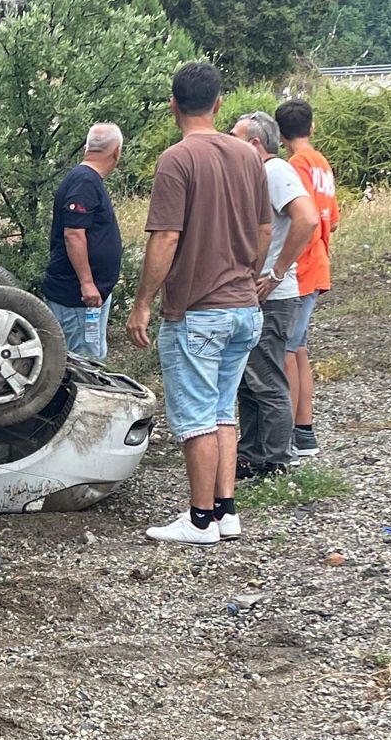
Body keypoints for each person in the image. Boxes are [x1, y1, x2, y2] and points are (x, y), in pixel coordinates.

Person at [126, 63, 270, 546]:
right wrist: (250, 272)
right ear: (218, 104)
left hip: (198, 311)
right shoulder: (248, 156)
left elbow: (166, 236)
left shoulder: (177, 159)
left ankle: (200, 519)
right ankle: (226, 512)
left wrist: (143, 302)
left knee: (196, 418)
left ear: (173, 104)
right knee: (224, 410)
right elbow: (264, 228)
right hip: (244, 307)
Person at [230, 111, 317, 480]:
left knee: (267, 378)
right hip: (253, 294)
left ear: (254, 144)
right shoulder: (255, 175)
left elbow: (307, 218)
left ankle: (278, 459)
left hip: (274, 296)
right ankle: (251, 454)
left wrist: (277, 272)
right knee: (248, 379)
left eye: (234, 137)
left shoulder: (275, 171)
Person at [275, 99, 339, 457]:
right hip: (319, 263)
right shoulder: (321, 163)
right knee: (298, 348)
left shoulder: (294, 166)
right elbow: (333, 219)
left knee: (285, 350)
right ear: (311, 127)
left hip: (299, 267)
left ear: (280, 135)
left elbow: (301, 218)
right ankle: (304, 430)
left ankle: (284, 435)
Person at [41, 123, 124, 359]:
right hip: (77, 296)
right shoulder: (84, 182)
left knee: (94, 357)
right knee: (83, 363)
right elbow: (73, 234)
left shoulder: (88, 180)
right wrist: (87, 283)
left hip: (91, 296)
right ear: (116, 152)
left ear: (86, 148)